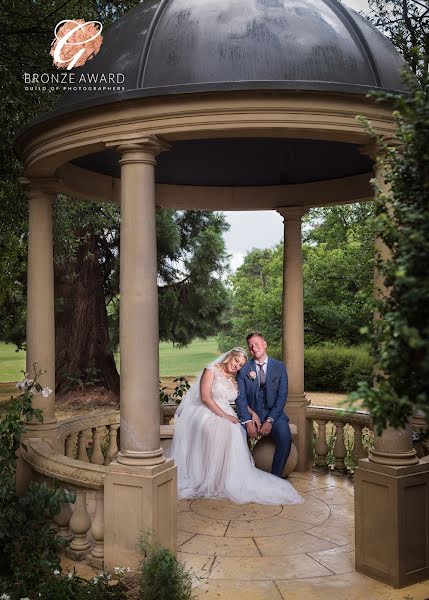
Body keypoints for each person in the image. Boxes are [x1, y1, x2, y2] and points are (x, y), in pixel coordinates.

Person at [169, 347, 303, 505]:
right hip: (205, 410)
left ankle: (224, 478)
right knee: (218, 428)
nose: (237, 366)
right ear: (230, 356)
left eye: (240, 365)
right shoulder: (211, 370)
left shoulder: (234, 378)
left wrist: (252, 413)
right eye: (236, 361)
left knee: (234, 429)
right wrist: (225, 416)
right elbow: (205, 397)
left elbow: (238, 401)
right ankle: (208, 478)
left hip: (226, 410)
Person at [236, 332, 292, 478]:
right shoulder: (243, 369)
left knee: (285, 437)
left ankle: (275, 478)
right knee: (236, 435)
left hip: (274, 415)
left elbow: (282, 396)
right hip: (251, 416)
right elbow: (240, 398)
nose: (254, 348)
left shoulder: (279, 367)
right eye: (251, 346)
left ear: (265, 344)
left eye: (257, 344)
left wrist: (270, 420)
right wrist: (248, 422)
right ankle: (244, 476)